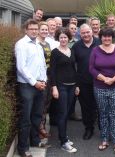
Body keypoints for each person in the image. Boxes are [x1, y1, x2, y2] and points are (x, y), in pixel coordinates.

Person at [89, 27, 115, 154]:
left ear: (112, 37)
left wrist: (113, 79)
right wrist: (104, 79)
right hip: (100, 87)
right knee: (103, 114)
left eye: (109, 36)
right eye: (104, 36)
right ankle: (104, 139)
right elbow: (92, 68)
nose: (107, 38)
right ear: (101, 37)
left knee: (114, 114)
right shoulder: (95, 50)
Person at [15, 19, 48, 157]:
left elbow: (42, 65)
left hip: (40, 85)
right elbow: (21, 67)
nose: (35, 31)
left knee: (36, 116)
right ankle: (23, 148)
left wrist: (44, 80)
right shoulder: (21, 44)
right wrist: (35, 82)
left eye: (36, 29)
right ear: (26, 30)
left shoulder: (38, 45)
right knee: (26, 119)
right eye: (32, 29)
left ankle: (35, 141)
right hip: (27, 86)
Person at [50, 27, 79, 153]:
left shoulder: (71, 50)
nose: (63, 39)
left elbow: (74, 69)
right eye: (61, 37)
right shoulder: (55, 52)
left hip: (72, 86)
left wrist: (77, 85)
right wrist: (54, 87)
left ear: (69, 38)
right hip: (61, 86)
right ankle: (63, 142)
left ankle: (64, 136)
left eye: (65, 37)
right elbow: (52, 71)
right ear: (58, 38)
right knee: (62, 114)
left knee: (66, 112)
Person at [72, 23, 100, 140]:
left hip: (100, 81)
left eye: (87, 32)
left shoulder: (99, 43)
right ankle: (88, 128)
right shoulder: (76, 46)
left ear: (91, 32)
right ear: (80, 34)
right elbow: (73, 66)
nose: (86, 34)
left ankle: (101, 126)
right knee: (85, 107)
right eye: (83, 33)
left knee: (99, 105)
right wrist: (76, 84)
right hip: (83, 82)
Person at [36, 21, 51, 139]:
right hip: (40, 78)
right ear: (38, 30)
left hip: (48, 76)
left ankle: (42, 127)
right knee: (40, 104)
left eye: (46, 29)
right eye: (43, 29)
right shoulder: (35, 43)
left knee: (46, 103)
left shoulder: (47, 44)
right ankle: (39, 129)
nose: (45, 31)